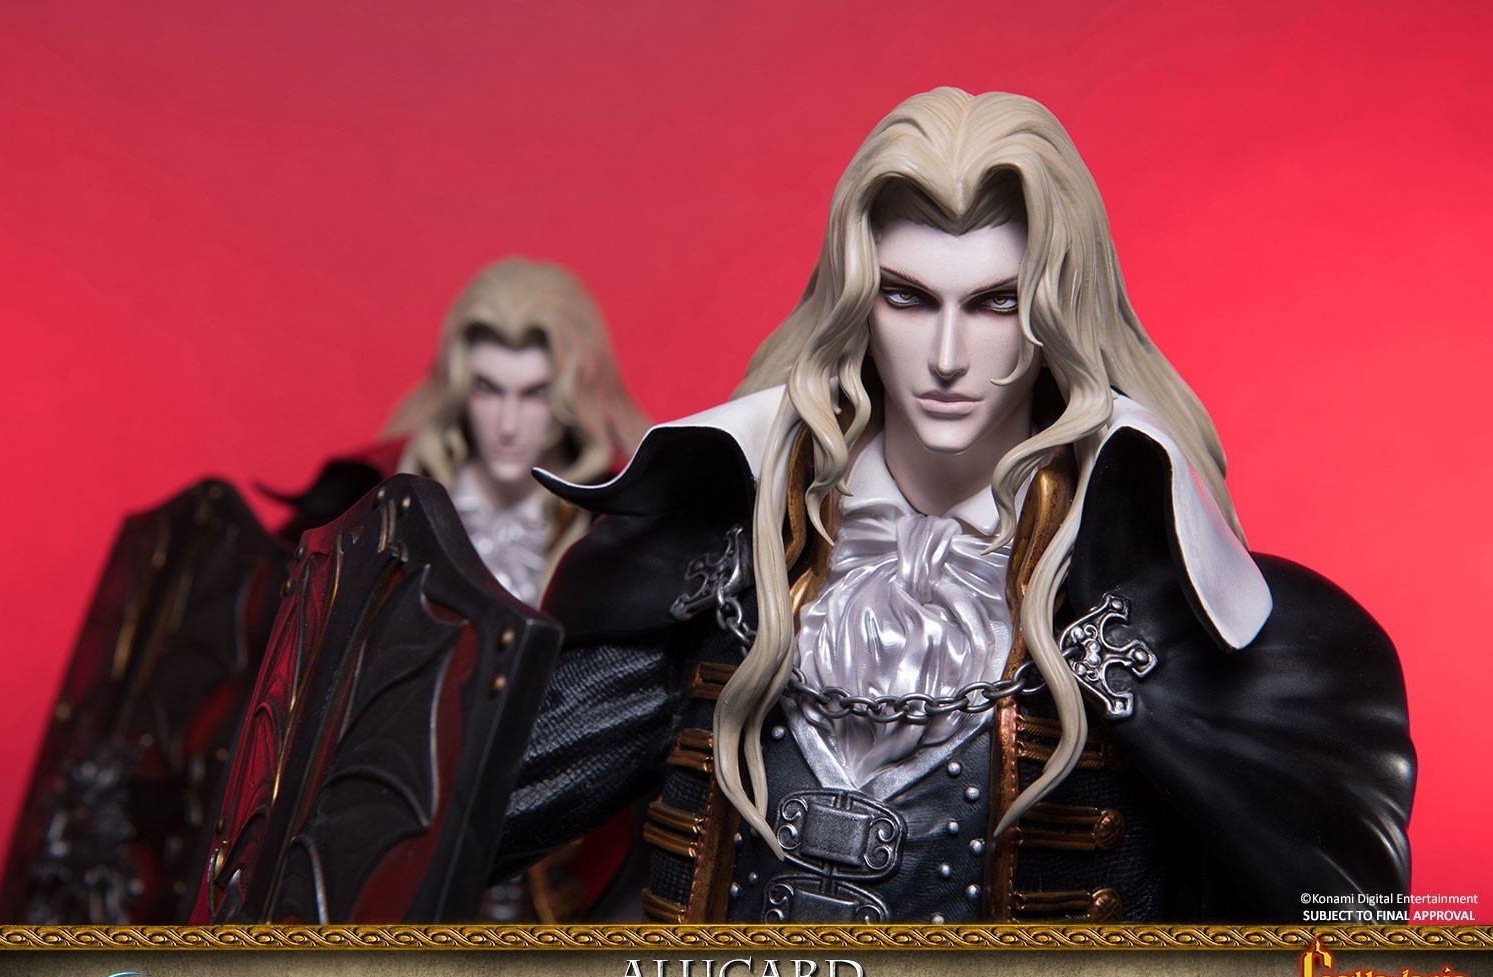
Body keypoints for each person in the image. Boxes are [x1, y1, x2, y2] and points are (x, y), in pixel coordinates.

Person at [492, 89, 1414, 923]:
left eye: (994, 304)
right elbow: (467, 824)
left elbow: (1343, 955)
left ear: (1054, 314)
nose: (944, 356)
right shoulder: (710, 565)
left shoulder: (1170, 610)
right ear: (859, 305)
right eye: (906, 297)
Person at [387, 257, 650, 605]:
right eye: (487, 389)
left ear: (573, 396)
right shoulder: (386, 500)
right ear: (460, 387)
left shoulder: (620, 527)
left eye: (536, 394)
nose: (508, 425)